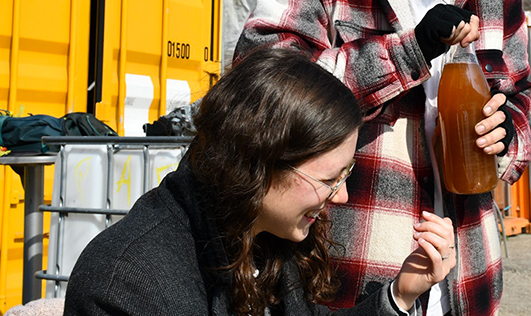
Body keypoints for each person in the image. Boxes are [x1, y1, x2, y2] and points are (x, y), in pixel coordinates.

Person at [234, 0, 531, 315]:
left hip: (472, 287)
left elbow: (521, 102)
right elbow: (260, 104)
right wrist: (410, 51)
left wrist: (507, 132)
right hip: (347, 290)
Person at [63, 48, 456, 316]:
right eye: (329, 179)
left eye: (346, 173)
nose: (343, 197)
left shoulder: (260, 236)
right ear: (259, 163)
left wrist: (400, 294)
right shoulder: (129, 285)